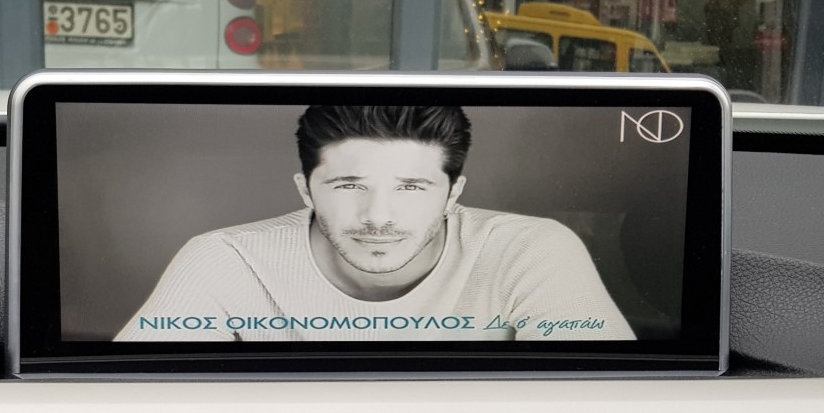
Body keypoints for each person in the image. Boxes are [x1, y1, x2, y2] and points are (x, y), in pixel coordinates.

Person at [115, 105, 635, 341]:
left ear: (454, 193)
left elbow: (601, 406)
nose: (378, 217)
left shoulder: (531, 250)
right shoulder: (224, 259)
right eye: (348, 186)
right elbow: (134, 403)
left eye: (412, 187)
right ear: (305, 190)